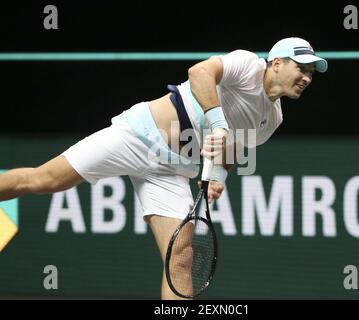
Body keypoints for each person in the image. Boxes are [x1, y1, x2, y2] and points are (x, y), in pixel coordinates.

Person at [0, 37, 327, 299]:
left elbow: (233, 147)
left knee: (181, 258)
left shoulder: (272, 119)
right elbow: (199, 73)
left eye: (311, 73)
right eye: (302, 68)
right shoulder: (247, 65)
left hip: (173, 171)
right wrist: (218, 124)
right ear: (277, 63)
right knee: (46, 179)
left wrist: (218, 176)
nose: (306, 78)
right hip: (138, 136)